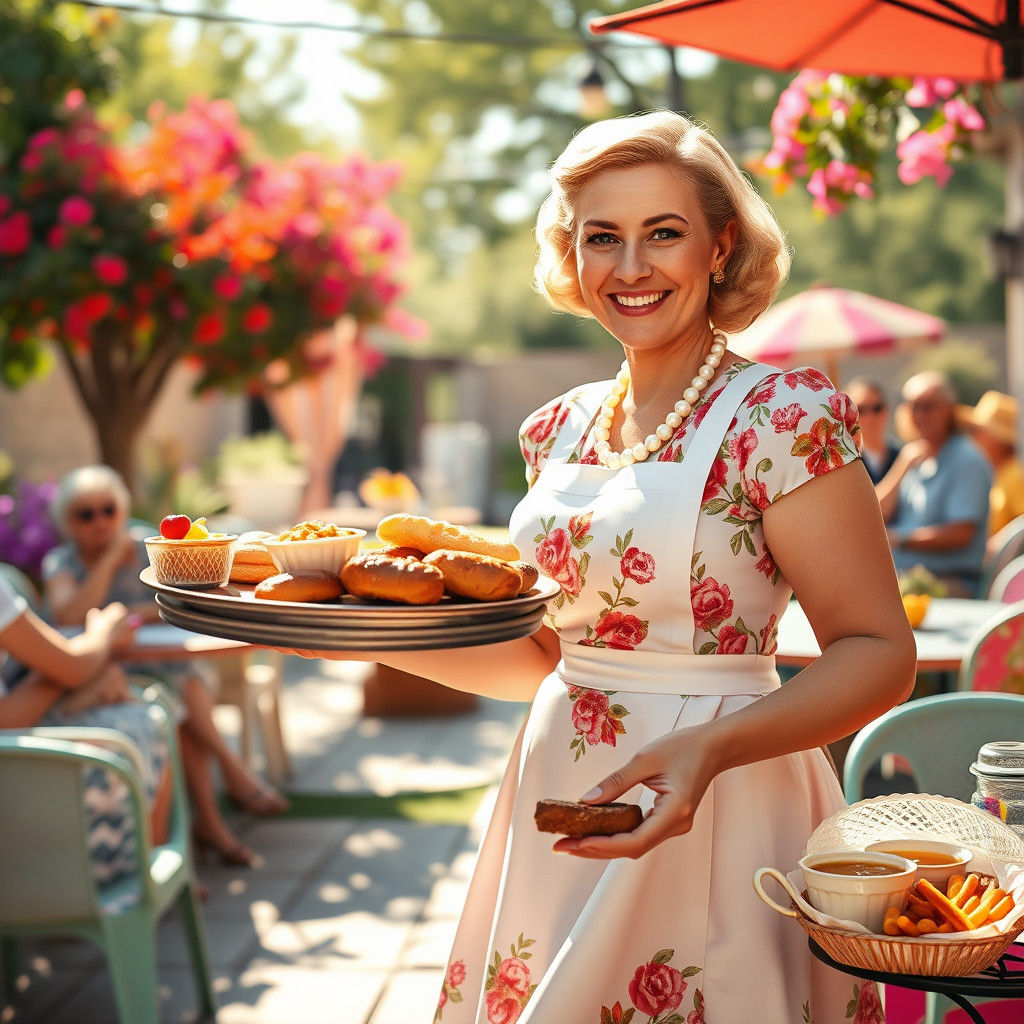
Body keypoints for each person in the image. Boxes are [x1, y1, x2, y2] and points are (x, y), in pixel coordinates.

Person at [276, 112, 915, 1023]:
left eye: (664, 233)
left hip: (728, 793)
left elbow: (879, 651)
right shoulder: (555, 430)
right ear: (570, 257)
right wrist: (356, 642)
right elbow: (544, 660)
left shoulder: (784, 412)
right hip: (560, 782)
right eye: (601, 238)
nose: (630, 267)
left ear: (720, 247)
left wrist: (710, 750)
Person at [42, 465, 287, 866]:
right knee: (177, 698)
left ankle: (200, 834)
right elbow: (69, 615)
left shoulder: (149, 547)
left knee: (177, 696)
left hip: (161, 668)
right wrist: (106, 563)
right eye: (85, 515)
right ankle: (228, 790)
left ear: (121, 510)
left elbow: (184, 598)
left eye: (108, 510)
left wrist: (131, 611)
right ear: (68, 523)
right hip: (102, 676)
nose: (100, 521)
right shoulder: (62, 561)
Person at [0, 580, 172, 900]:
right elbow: (69, 667)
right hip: (12, 772)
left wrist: (70, 672)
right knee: (149, 719)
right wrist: (100, 638)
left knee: (121, 698)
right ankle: (137, 883)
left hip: (11, 749)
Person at [877, 371, 992, 596]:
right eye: (912, 406)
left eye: (928, 406)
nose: (919, 415)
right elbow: (872, 516)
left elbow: (961, 533)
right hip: (907, 577)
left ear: (949, 409)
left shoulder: (966, 459)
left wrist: (901, 539)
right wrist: (900, 468)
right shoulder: (914, 456)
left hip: (948, 583)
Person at [960, 390, 1024, 542]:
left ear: (998, 437)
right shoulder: (997, 473)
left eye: (977, 430)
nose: (972, 436)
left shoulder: (1016, 475)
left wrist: (991, 550)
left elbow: (1021, 532)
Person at [846, 377, 901, 484]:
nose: (870, 417)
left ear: (887, 409)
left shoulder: (900, 453)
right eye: (860, 410)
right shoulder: (846, 463)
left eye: (877, 408)